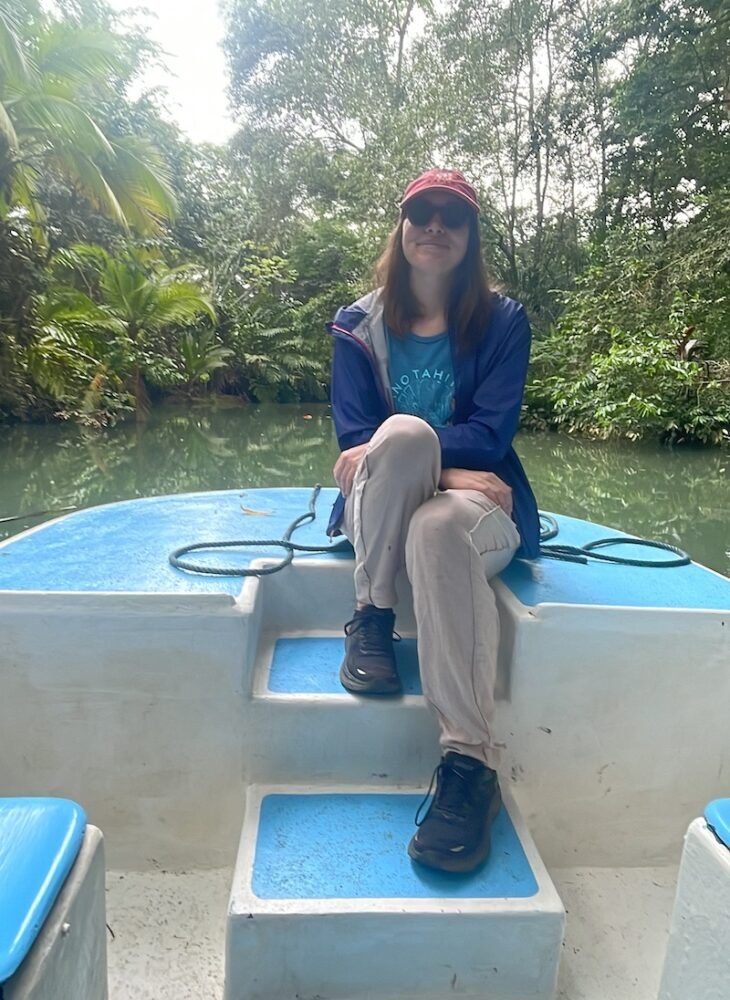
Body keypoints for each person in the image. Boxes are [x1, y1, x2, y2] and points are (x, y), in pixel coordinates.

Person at [326, 167, 540, 874]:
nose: (436, 227)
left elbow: (493, 434)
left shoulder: (503, 322)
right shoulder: (356, 326)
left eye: (454, 216)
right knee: (406, 437)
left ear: (472, 236)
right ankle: (373, 617)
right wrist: (436, 464)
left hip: (476, 513)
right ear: (403, 228)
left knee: (436, 525)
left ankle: (468, 766)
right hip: (385, 506)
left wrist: (426, 465)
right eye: (423, 214)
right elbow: (359, 449)